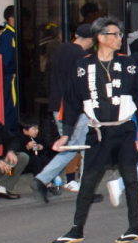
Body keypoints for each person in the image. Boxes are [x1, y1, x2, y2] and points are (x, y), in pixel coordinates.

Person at [49, 16, 138, 243]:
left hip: (125, 129)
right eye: (115, 34)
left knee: (130, 178)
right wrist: (66, 134)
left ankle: (133, 227)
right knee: (88, 180)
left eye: (120, 34)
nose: (120, 38)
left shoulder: (128, 64)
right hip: (98, 131)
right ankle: (76, 229)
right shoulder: (83, 66)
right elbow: (70, 102)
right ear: (101, 37)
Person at [29, 24, 96, 202]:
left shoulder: (60, 49)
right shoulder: (82, 56)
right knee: (83, 147)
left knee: (72, 146)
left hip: (57, 106)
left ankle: (42, 180)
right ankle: (85, 190)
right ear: (91, 40)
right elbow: (84, 84)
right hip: (74, 108)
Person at [0, 5, 19, 131]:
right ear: (12, 18)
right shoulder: (8, 34)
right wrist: (12, 71)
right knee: (11, 104)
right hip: (10, 77)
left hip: (13, 75)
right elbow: (5, 58)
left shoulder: (13, 33)